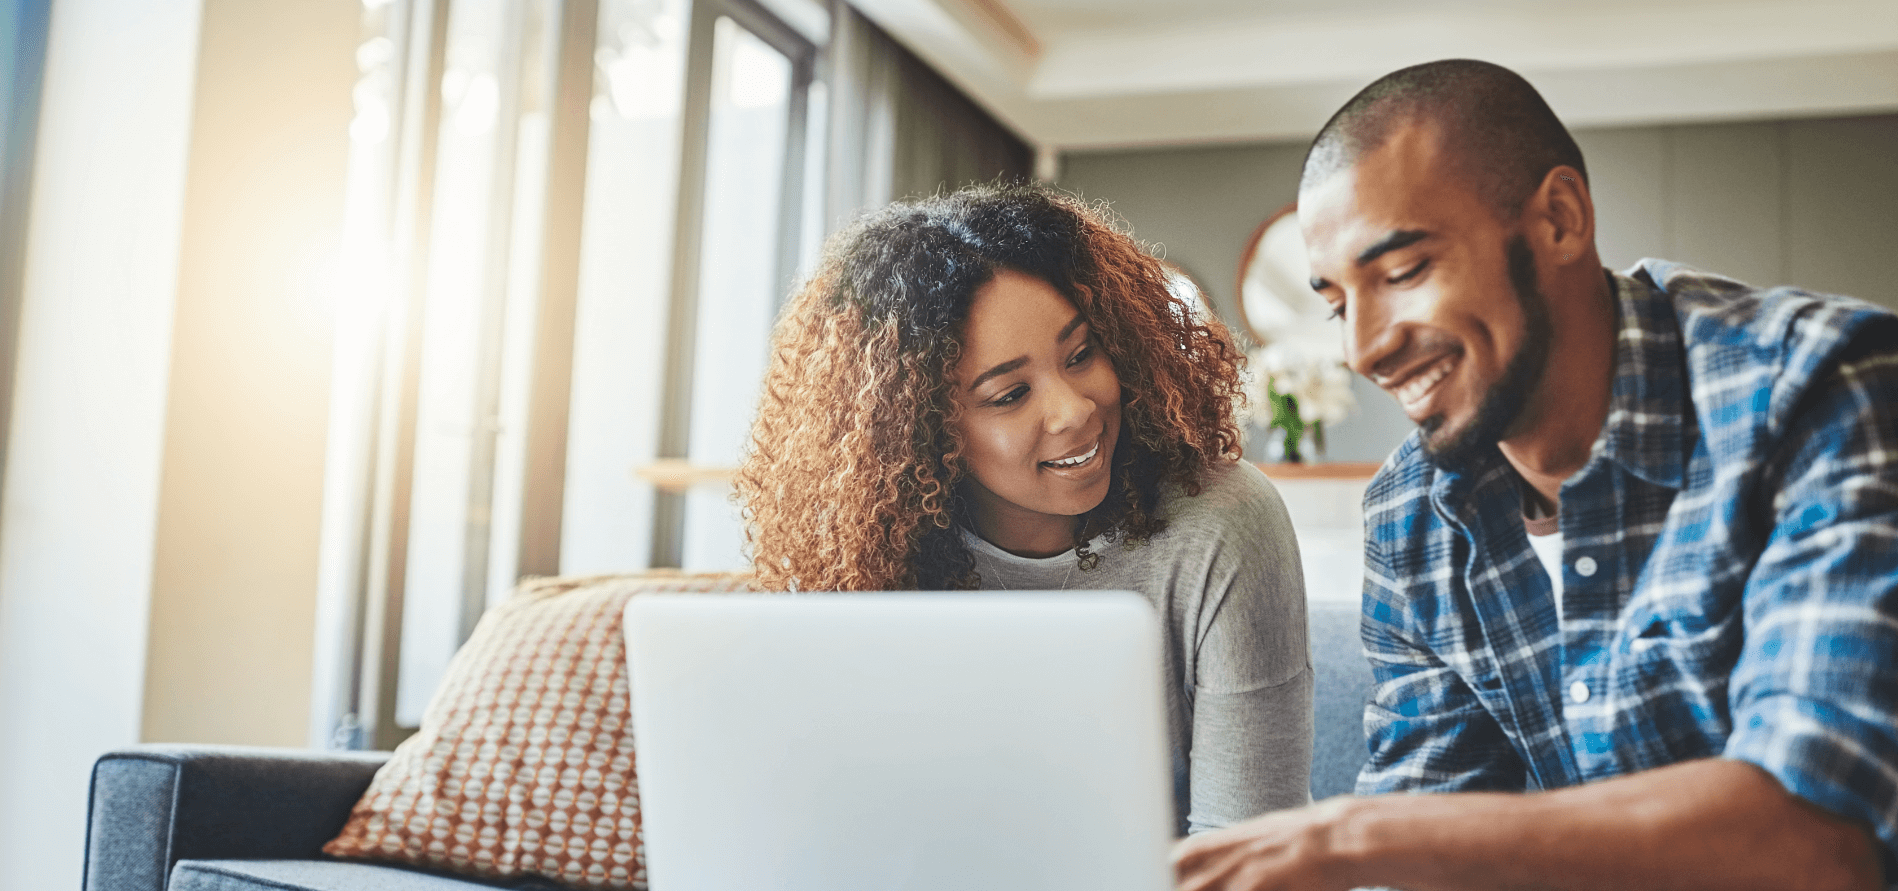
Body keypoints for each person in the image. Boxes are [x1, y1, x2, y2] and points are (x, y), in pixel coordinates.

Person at [1173, 59, 1898, 891]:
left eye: (1404, 273)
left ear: (1560, 218)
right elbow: (1429, 822)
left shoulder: (1821, 387)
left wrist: (1356, 833)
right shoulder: (1412, 511)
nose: (1364, 348)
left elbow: (1821, 839)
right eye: (1340, 303)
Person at [736, 182, 1313, 834]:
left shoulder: (1221, 521)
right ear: (925, 428)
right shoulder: (863, 552)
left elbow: (1255, 852)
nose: (1074, 410)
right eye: (1010, 394)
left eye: (1080, 354)